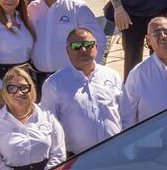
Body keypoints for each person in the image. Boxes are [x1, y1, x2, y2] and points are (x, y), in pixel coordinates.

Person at [42, 26, 123, 156]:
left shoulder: (112, 75)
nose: (83, 49)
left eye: (88, 44)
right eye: (76, 46)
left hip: (116, 152)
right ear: (68, 50)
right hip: (76, 160)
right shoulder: (54, 84)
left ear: (96, 47)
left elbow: (127, 115)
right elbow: (48, 126)